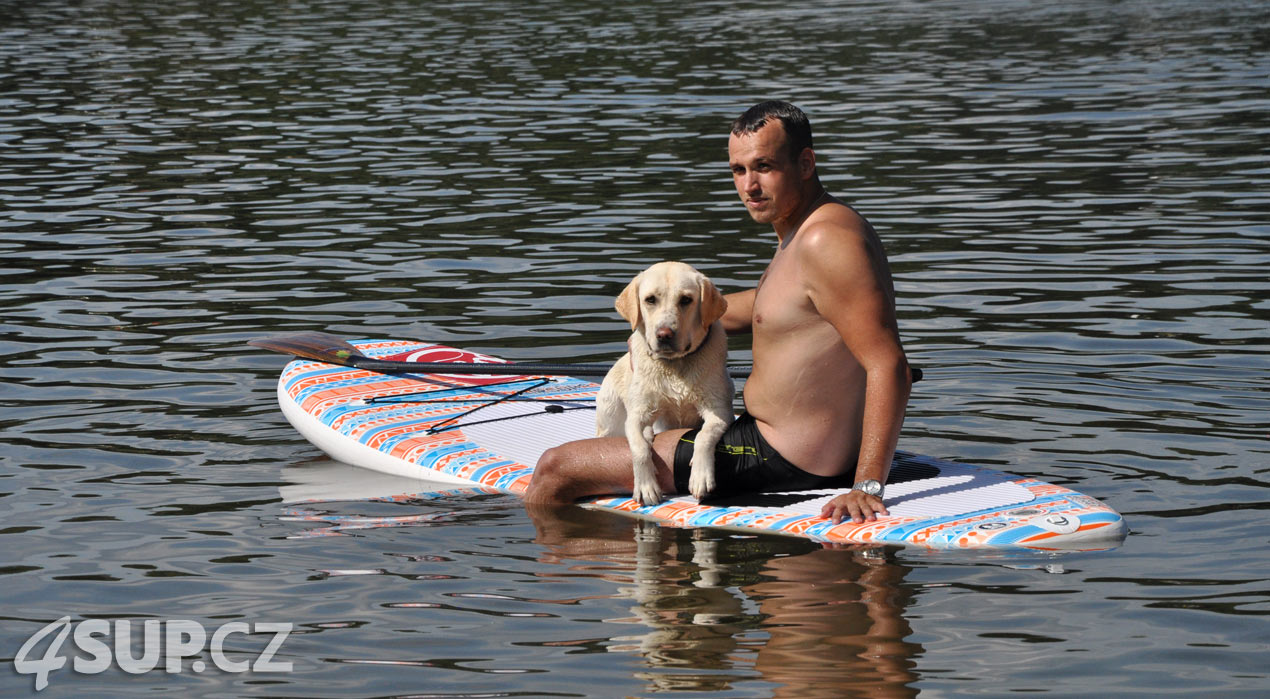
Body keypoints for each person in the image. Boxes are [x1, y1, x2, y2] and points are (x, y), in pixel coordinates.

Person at [524, 101, 911, 525]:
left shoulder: (826, 240)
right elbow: (765, 311)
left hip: (782, 456)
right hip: (773, 441)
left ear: (805, 163)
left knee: (555, 469)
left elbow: (889, 364)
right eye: (738, 170)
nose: (750, 185)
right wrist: (662, 321)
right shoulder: (804, 231)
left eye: (764, 166)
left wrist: (867, 485)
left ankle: (563, 579)